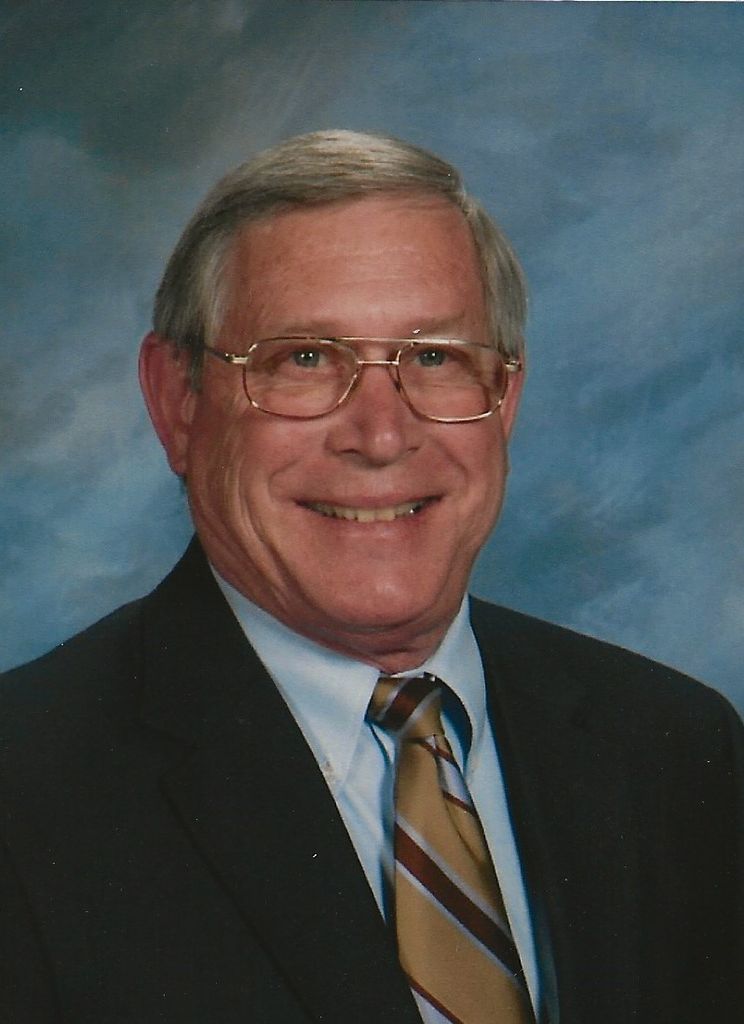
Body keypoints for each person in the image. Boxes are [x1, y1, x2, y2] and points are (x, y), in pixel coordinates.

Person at [0, 130, 741, 1024]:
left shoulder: (677, 750)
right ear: (179, 402)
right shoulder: (25, 790)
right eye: (304, 359)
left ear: (504, 400)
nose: (382, 436)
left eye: (435, 358)